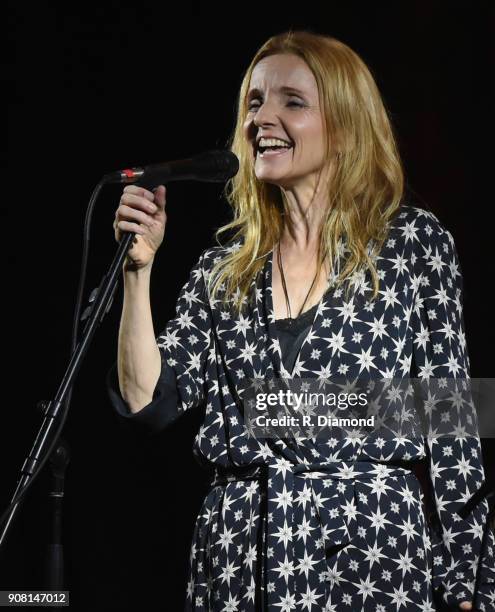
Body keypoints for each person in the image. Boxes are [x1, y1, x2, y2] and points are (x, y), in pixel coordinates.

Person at [106, 30, 495, 611]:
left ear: (344, 122)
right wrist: (138, 273)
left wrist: (467, 575)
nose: (262, 117)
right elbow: (146, 400)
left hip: (371, 552)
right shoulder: (222, 271)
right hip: (239, 552)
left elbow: (455, 415)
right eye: (254, 101)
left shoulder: (412, 245)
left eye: (292, 100)